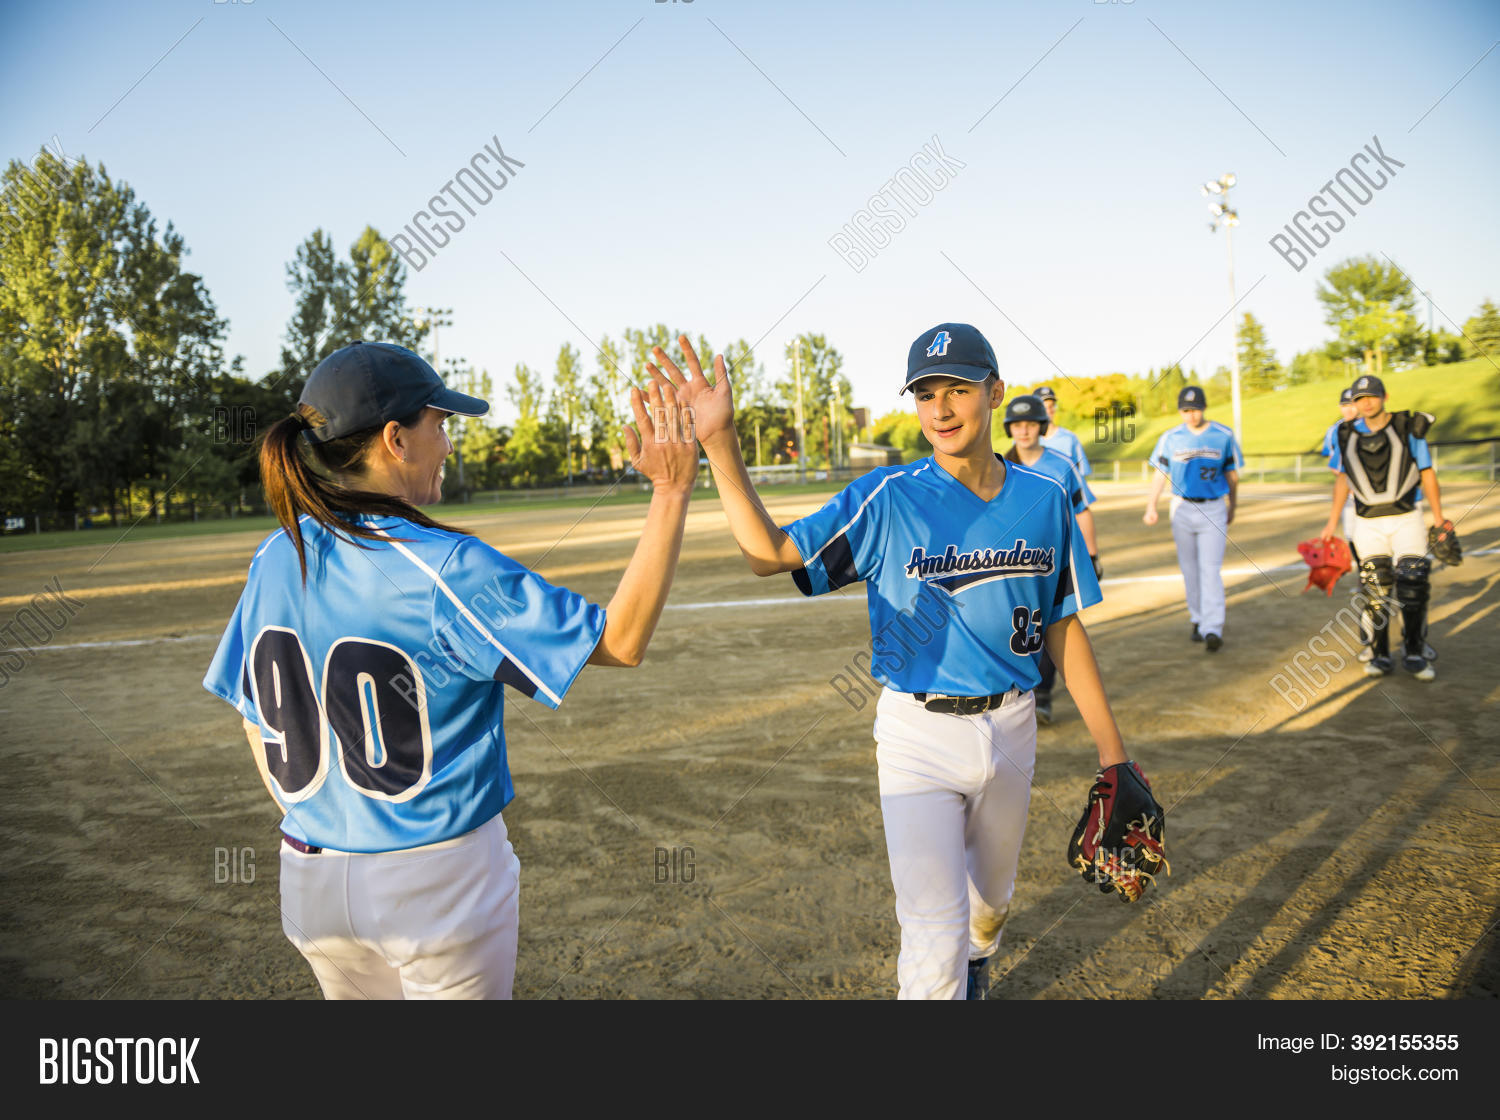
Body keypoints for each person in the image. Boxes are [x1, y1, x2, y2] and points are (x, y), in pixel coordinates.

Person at [202, 341, 698, 999]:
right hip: (433, 882)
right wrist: (671, 489)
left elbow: (250, 712)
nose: (449, 444)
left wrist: (322, 822)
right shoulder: (446, 564)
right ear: (395, 439)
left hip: (310, 876)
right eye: (440, 424)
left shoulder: (275, 552)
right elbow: (623, 641)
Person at [656, 324, 1132, 1001]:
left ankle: (978, 955)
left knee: (988, 907)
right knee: (933, 939)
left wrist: (1115, 758)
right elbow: (770, 553)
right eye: (924, 393)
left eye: (958, 390)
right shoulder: (889, 498)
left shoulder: (1044, 498)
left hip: (1015, 726)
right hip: (919, 737)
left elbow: (1062, 625)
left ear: (995, 392)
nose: (939, 409)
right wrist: (719, 442)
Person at [1319, 374, 1448, 681]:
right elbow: (1342, 479)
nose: (1365, 403)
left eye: (1371, 397)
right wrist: (1332, 521)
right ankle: (1380, 655)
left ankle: (1414, 651)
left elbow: (1427, 473)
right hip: (1367, 521)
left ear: (1384, 396)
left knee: (1413, 581)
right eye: (1359, 399)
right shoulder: (1345, 434)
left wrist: (1439, 516)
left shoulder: (1409, 428)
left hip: (1406, 517)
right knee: (1376, 587)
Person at [1000, 393, 1101, 725]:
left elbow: (1081, 510)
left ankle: (1042, 697)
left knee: (1051, 625)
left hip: (1053, 560)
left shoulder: (1061, 465)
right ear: (1009, 429)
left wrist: (1092, 554)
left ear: (1041, 426)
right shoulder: (1000, 465)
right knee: (1017, 626)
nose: (1024, 431)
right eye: (1017, 425)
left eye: (1030, 424)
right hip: (1012, 560)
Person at [1142, 386, 1243, 652]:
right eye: (1186, 410)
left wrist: (1233, 505)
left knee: (1210, 569)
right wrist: (1151, 505)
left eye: (1195, 409)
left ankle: (1213, 627)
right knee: (1190, 569)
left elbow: (1232, 475)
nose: (1191, 415)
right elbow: (1160, 473)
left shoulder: (1223, 435)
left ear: (1204, 408)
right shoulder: (1171, 437)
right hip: (1182, 507)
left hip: (1213, 507)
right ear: (1179, 411)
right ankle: (1197, 619)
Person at [1320, 386, 1360, 548]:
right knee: (1351, 533)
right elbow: (1334, 463)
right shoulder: (1334, 430)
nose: (1348, 409)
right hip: (1349, 491)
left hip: (1371, 490)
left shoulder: (1371, 425)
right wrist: (1348, 484)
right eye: (1344, 406)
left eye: (1351, 405)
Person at [1034, 385, 1092, 482]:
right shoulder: (1024, 440)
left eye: (1051, 406)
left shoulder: (1069, 438)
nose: (1048, 410)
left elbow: (1080, 476)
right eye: (1044, 407)